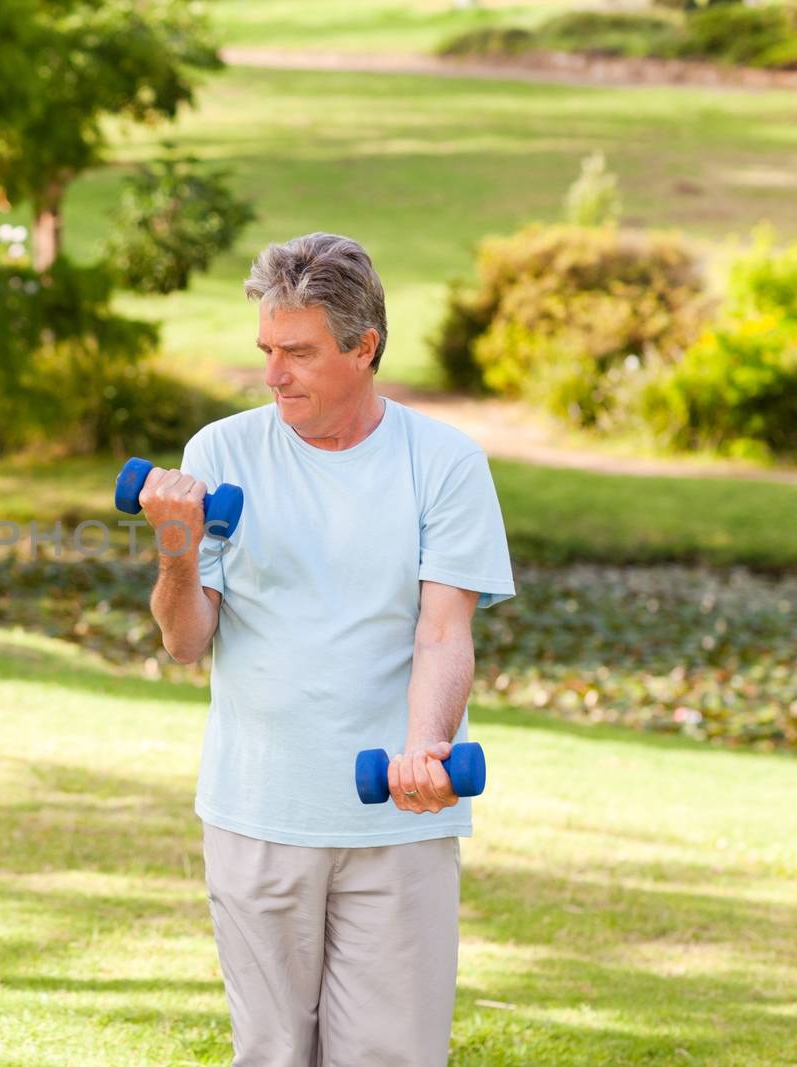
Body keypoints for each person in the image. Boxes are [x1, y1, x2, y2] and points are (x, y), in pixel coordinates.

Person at [140, 232, 516, 1067]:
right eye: (267, 349)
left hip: (397, 815)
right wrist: (176, 548)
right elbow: (184, 640)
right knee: (273, 1053)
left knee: (393, 1056)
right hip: (258, 809)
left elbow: (444, 630)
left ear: (364, 346)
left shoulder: (444, 464)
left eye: (298, 352)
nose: (273, 374)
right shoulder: (221, 453)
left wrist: (427, 747)